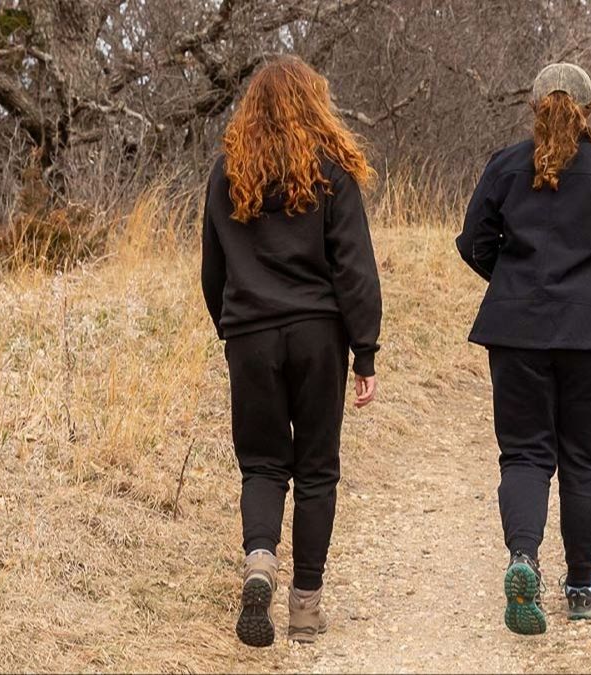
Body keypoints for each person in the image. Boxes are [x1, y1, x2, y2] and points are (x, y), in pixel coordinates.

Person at [455, 63, 591, 635]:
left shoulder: (504, 166)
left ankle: (523, 560)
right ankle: (580, 586)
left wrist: (513, 283)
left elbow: (473, 242)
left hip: (516, 333)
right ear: (589, 111)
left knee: (524, 455)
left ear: (534, 106)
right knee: (583, 460)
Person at [201, 55, 382, 647]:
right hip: (317, 334)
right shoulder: (332, 172)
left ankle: (260, 562)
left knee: (261, 464)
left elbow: (212, 271)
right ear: (313, 104)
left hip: (250, 335)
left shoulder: (227, 174)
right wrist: (365, 352)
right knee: (317, 469)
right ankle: (305, 607)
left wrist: (233, 331)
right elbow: (355, 270)